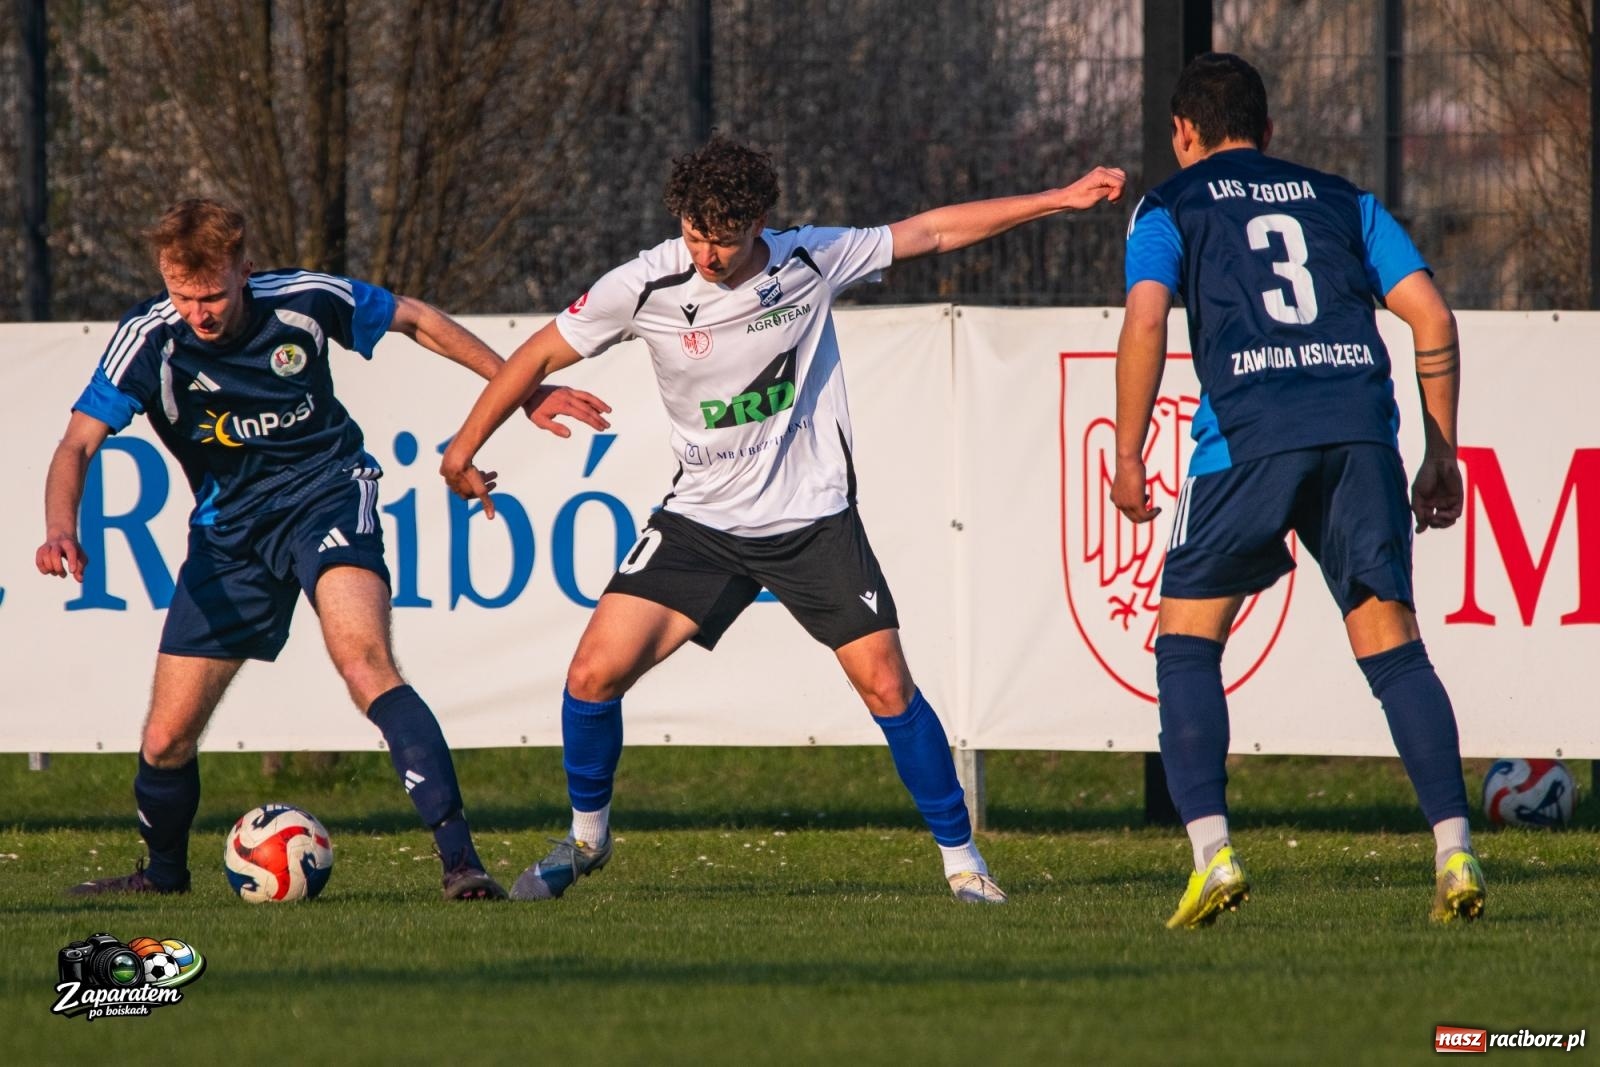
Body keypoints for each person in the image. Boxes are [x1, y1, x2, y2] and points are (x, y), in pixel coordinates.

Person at [441, 135, 1125, 904]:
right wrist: (464, 447)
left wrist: (1056, 199)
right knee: (591, 674)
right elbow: (534, 354)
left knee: (887, 686)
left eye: (725, 238)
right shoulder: (645, 282)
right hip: (701, 522)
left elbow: (931, 231)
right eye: (696, 233)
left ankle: (964, 863)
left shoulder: (810, 259)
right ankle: (586, 840)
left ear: (760, 221)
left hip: (812, 522)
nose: (708, 253)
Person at [37, 198, 610, 901]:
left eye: (213, 293)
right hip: (229, 535)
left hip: (327, 494)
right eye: (184, 295)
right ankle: (162, 877)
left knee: (363, 662)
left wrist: (519, 389)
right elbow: (76, 443)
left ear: (245, 270)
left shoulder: (303, 300)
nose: (200, 312)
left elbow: (416, 319)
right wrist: (61, 525)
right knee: (164, 740)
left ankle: (461, 863)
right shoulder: (149, 338)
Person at [1112, 54, 1482, 927]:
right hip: (1359, 428)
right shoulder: (1343, 200)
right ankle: (1457, 851)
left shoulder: (1169, 204)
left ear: (1183, 134)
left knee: (1187, 641)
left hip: (1249, 436)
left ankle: (1214, 855)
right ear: (1269, 131)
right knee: (1395, 649)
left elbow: (1146, 317)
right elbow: (1431, 315)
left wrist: (1128, 453)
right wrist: (1441, 451)